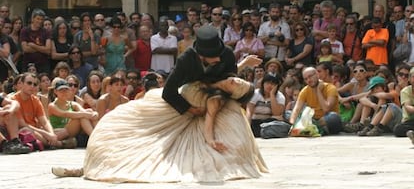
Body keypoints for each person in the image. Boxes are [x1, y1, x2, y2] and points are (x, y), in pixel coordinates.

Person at [52, 75, 267, 182]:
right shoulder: (216, 76)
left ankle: (81, 170)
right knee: (118, 130)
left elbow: (209, 122)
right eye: (240, 80)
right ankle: (84, 167)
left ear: (234, 94)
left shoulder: (216, 99)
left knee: (145, 151)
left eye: (239, 86)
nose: (237, 81)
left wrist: (210, 141)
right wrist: (244, 62)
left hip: (176, 117)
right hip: (161, 107)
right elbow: (228, 73)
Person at [289, 67, 342, 135]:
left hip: (327, 120)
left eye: (310, 76)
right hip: (313, 120)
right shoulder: (305, 90)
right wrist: (292, 125)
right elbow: (296, 109)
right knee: (288, 114)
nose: (309, 80)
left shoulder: (330, 88)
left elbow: (326, 109)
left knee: (333, 117)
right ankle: (312, 129)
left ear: (317, 74)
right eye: (306, 79)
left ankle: (311, 129)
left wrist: (318, 91)